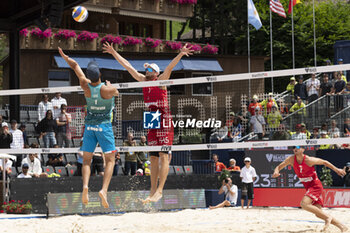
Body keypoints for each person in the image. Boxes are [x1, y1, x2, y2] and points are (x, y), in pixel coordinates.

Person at [103, 41, 193, 203]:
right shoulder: (143, 80)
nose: (146, 69)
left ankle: (160, 190)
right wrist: (113, 52)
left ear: (155, 72)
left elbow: (170, 67)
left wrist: (180, 53)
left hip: (164, 116)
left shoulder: (162, 80)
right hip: (151, 117)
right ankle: (152, 192)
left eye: (149, 68)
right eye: (147, 68)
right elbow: (128, 66)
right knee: (152, 157)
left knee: (163, 155)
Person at [58, 47, 119, 208]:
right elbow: (117, 93)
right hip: (104, 127)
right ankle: (104, 190)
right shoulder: (108, 89)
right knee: (110, 160)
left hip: (90, 127)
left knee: (86, 160)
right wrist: (110, 85)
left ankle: (85, 186)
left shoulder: (85, 85)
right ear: (99, 74)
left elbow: (75, 66)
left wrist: (65, 57)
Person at [272, 146, 347, 232]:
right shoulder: (291, 159)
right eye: (294, 147)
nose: (295, 149)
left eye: (297, 147)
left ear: (303, 149)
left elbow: (324, 162)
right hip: (308, 187)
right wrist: (276, 171)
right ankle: (342, 226)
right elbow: (279, 166)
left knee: (304, 204)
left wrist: (337, 170)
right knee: (318, 214)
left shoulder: (308, 160)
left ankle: (328, 217)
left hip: (315, 186)